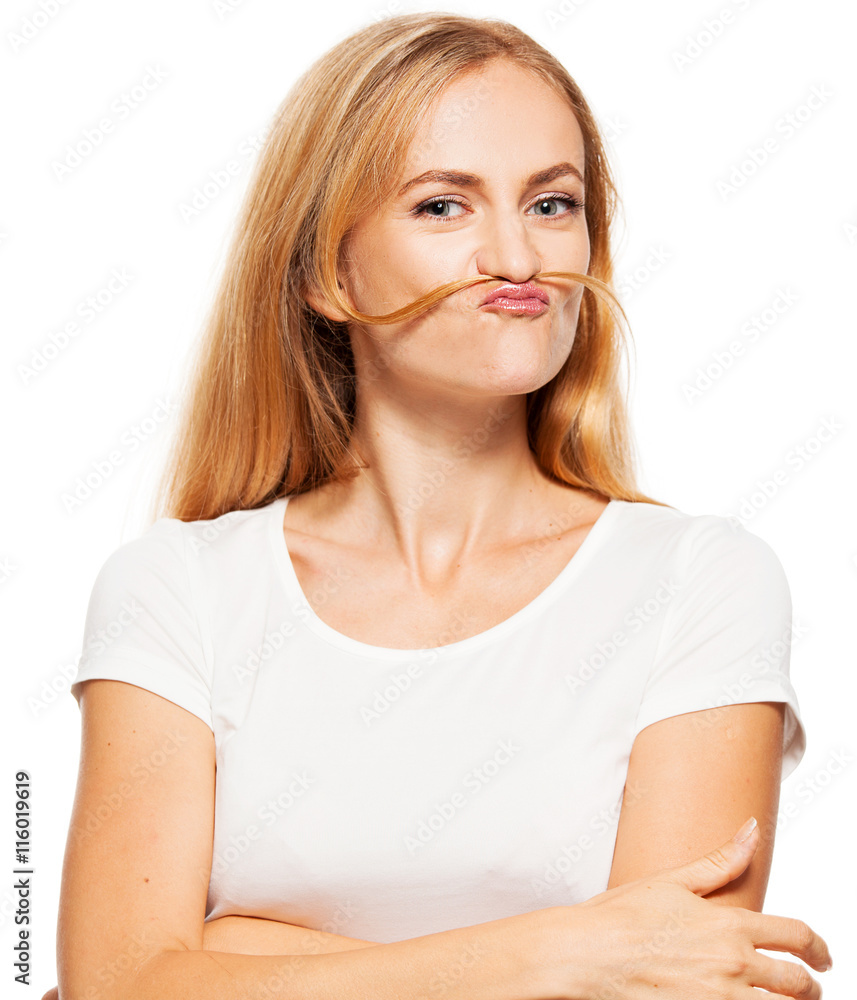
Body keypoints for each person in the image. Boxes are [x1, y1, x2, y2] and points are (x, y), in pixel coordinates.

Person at [47, 12, 832, 999]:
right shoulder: (178, 590)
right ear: (325, 272)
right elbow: (114, 984)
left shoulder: (697, 581)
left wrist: (237, 951)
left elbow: (682, 985)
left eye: (551, 203)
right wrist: (559, 954)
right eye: (442, 206)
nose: (517, 256)